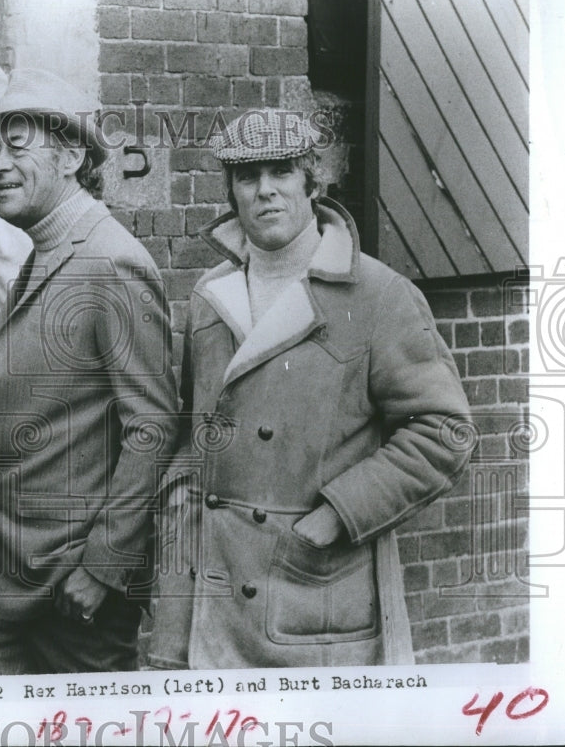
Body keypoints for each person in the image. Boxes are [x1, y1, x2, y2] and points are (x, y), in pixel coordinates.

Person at [147, 108, 471, 669]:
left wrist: (333, 518)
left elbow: (445, 432)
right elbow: (193, 435)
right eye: (248, 177)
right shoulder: (210, 294)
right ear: (231, 191)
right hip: (213, 594)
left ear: (311, 181)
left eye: (281, 172)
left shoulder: (377, 294)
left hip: (314, 593)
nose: (265, 191)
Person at [0, 69, 178, 675]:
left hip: (72, 595)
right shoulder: (44, 252)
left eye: (16, 146)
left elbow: (153, 427)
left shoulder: (111, 262)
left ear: (72, 156)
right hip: (9, 582)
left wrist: (103, 567)